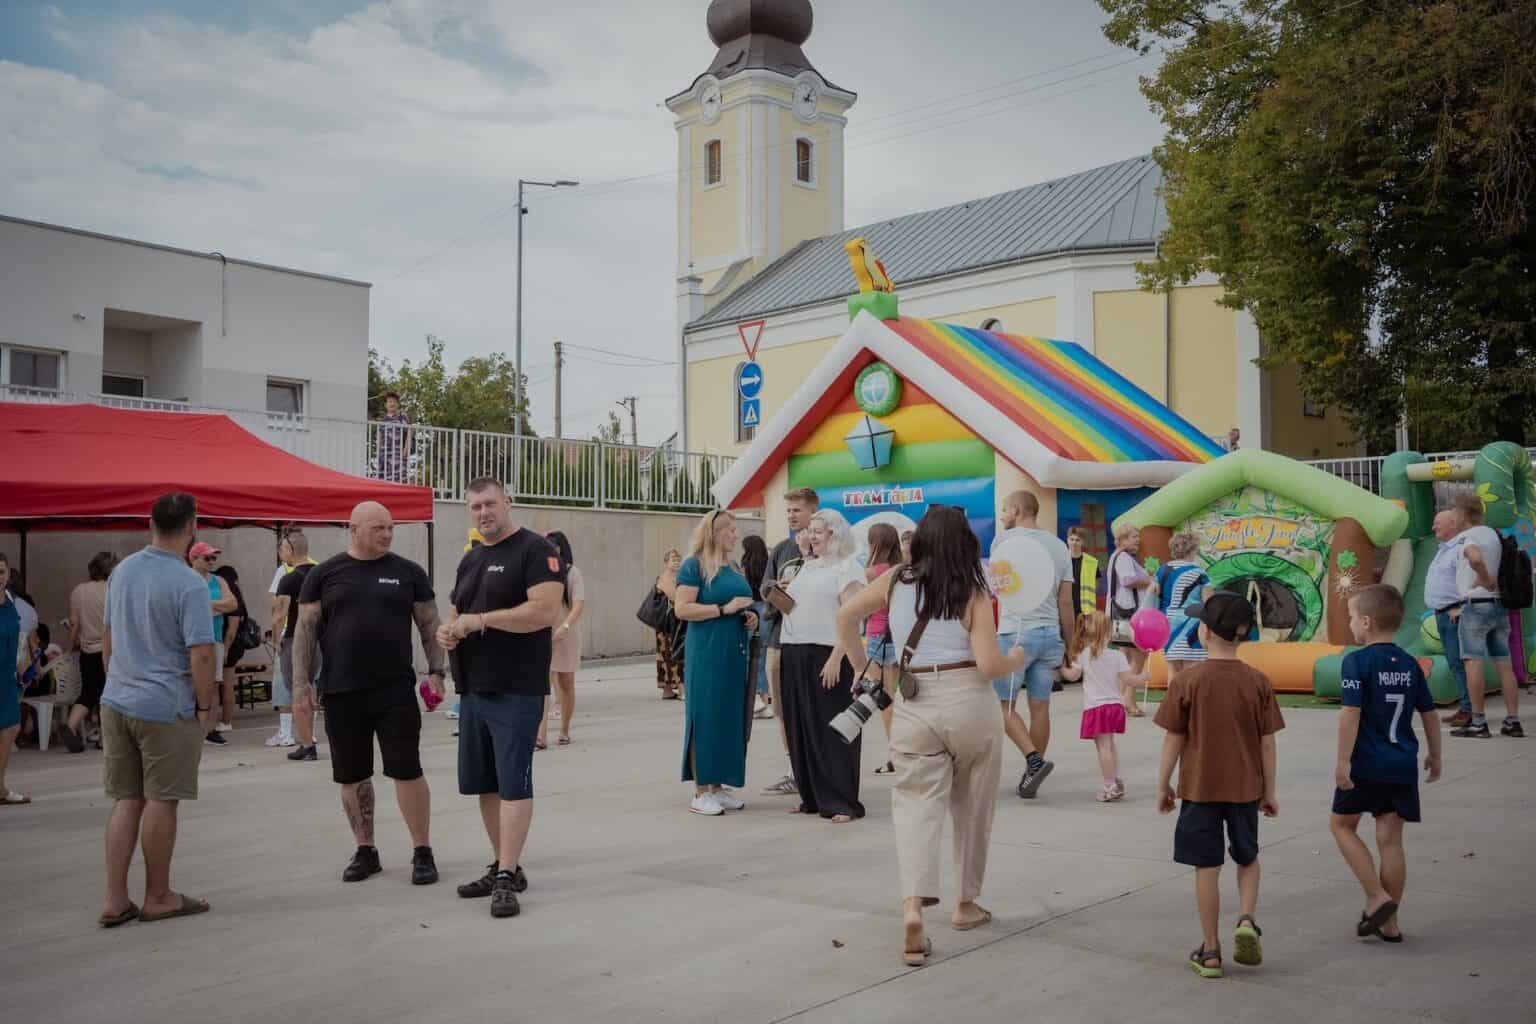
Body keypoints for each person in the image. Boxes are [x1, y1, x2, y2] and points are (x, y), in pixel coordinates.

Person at [835, 505, 1027, 966]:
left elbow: (844, 616)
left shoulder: (896, 579)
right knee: (973, 805)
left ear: (920, 539)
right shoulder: (973, 591)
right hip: (969, 701)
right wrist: (1016, 657)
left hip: (914, 699)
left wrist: (867, 666)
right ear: (966, 543)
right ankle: (965, 905)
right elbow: (988, 665)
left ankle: (912, 909)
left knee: (916, 805)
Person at [292, 501, 446, 885]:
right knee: (351, 774)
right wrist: (300, 686)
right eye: (378, 528)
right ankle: (366, 850)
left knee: (407, 769)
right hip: (342, 692)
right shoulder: (323, 574)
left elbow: (430, 624)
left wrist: (437, 672)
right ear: (353, 528)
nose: (387, 534)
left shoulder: (408, 573)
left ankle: (422, 851)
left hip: (395, 689)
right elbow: (305, 632)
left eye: (390, 527)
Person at [436, 478, 564, 919]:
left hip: (516, 687)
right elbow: (457, 610)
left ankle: (507, 876)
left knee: (513, 783)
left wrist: (481, 621)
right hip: (473, 689)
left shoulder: (535, 551)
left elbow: (544, 612)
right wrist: (448, 630)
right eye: (475, 507)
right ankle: (502, 864)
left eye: (490, 503)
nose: (483, 512)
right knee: (485, 784)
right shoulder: (471, 559)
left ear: (508, 502)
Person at [98, 492, 219, 925]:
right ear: (192, 527)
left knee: (125, 799)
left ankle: (114, 899)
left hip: (117, 700)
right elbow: (201, 653)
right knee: (161, 800)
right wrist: (205, 707)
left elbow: (108, 640)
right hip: (165, 706)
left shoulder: (122, 571)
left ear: (151, 524)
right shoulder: (189, 581)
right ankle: (158, 895)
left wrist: (118, 680)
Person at [1154, 592, 1284, 979]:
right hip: (1246, 789)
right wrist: (1270, 791)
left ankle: (1210, 951)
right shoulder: (1258, 682)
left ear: (1205, 631)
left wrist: (1163, 783)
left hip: (1199, 790)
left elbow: (1173, 738)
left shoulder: (1187, 681)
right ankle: (1246, 919)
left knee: (1206, 867)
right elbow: (1267, 740)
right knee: (1247, 857)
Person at [1330, 584, 1443, 943]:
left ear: (1366, 621)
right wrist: (1435, 754)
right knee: (1390, 841)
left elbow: (1351, 712)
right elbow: (1429, 713)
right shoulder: (1411, 665)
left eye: (1351, 617)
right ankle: (1390, 923)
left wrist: (1342, 761)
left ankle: (1377, 897)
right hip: (1401, 764)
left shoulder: (1356, 661)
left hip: (1366, 764)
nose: (1350, 624)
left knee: (1342, 827)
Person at [778, 509, 866, 822]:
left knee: (831, 730)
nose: (810, 536)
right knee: (801, 726)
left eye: (818, 531)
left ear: (835, 534)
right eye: (809, 530)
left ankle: (842, 800)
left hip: (827, 654)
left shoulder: (848, 568)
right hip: (795, 651)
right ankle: (812, 796)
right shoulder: (807, 566)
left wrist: (836, 657)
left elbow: (853, 618)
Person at [673, 509, 758, 816]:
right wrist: (723, 609)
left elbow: (742, 604)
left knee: (728, 717)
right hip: (707, 652)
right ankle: (700, 790)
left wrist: (749, 617)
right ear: (715, 533)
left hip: (734, 652)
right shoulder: (693, 565)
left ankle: (718, 786)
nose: (735, 535)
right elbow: (682, 609)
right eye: (730, 530)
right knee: (705, 715)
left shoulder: (733, 566)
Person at [990, 490, 1071, 797]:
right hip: (1050, 633)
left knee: (1004, 707)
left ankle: (1033, 760)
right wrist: (1070, 643)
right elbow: (1066, 602)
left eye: (1003, 509)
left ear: (1016, 509)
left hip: (1015, 633)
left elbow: (996, 589)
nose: (1001, 515)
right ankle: (1031, 774)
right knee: (1040, 707)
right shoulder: (1060, 547)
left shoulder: (1003, 542)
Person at [1445, 494, 1523, 739]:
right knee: (1504, 664)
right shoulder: (1492, 534)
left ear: (1463, 514)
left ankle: (1478, 722)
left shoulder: (1470, 537)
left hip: (1476, 605)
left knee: (1472, 662)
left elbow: (1475, 558)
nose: (1452, 517)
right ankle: (1512, 721)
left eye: (1454, 512)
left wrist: (1484, 578)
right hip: (1498, 606)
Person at [759, 487, 818, 796]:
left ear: (812, 511)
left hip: (814, 643)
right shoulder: (781, 549)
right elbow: (764, 588)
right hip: (779, 641)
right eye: (788, 511)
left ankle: (816, 767)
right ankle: (794, 768)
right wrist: (779, 590)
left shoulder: (826, 547)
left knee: (813, 707)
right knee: (782, 708)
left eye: (797, 510)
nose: (791, 515)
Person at [1059, 611, 1146, 801]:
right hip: (1115, 706)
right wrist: (1142, 678)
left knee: (1103, 748)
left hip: (1097, 707)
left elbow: (1072, 676)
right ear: (1108, 633)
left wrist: (1061, 668)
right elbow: (1128, 680)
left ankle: (1109, 785)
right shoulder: (1117, 656)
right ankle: (1116, 779)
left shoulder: (1084, 655)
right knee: (1111, 745)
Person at [1423, 503, 1475, 727]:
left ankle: (1469, 709)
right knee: (1455, 663)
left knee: (1460, 662)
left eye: (1438, 523)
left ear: (1453, 525)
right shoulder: (1444, 549)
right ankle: (1466, 707)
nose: (1433, 527)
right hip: (1443, 614)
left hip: (1454, 613)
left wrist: (1463, 608)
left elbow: (1473, 581)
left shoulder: (1459, 549)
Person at [269, 530, 320, 754]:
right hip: (318, 641)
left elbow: (279, 614)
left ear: (290, 550)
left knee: (296, 692)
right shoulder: (322, 575)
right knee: (310, 689)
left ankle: (307, 745)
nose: (281, 556)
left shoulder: (288, 579)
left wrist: (275, 639)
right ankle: (309, 738)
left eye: (282, 550)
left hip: (293, 640)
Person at [62, 551, 116, 753]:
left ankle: (70, 725)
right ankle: (104, 738)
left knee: (88, 692)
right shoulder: (113, 589)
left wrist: (70, 646)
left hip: (87, 651)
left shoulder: (79, 591)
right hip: (109, 651)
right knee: (108, 695)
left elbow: (74, 623)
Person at [862, 523, 904, 774]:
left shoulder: (870, 573)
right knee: (896, 697)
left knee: (883, 700)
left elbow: (862, 607)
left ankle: (895, 754)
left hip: (877, 636)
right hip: (896, 637)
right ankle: (902, 751)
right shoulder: (900, 570)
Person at [187, 543, 238, 744]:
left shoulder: (218, 580)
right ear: (193, 558)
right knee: (189, 685)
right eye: (206, 558)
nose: (211, 562)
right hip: (189, 640)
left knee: (214, 684)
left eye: (213, 559)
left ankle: (209, 729)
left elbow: (232, 604)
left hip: (213, 638)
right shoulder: (185, 579)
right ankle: (190, 730)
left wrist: (205, 605)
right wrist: (218, 607)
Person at [538, 530, 585, 748]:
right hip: (543, 633)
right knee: (541, 685)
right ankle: (540, 734)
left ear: (560, 548)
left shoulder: (572, 573)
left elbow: (578, 605)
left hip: (566, 634)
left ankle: (564, 729)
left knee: (566, 682)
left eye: (552, 546)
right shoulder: (539, 571)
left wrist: (566, 626)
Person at [1107, 523, 1153, 713]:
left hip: (1119, 612)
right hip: (1128, 613)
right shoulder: (1124, 557)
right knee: (1139, 655)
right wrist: (1150, 580)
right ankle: (1128, 699)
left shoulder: (1117, 556)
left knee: (1125, 657)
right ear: (1123, 539)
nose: (1138, 540)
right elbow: (1128, 580)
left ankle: (1119, 698)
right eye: (1134, 536)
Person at [1157, 532, 1210, 680]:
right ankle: (1191, 703)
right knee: (1192, 670)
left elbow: (1154, 595)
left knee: (1172, 668)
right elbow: (1209, 601)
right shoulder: (1199, 572)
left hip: (1169, 625)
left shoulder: (1163, 570)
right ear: (1192, 550)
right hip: (1192, 625)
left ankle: (1174, 702)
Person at [0, 553, 29, 805]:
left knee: (10, 728)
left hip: (7, 676)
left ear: (8, 574)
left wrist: (23, 665)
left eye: (1, 572)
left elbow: (18, 639)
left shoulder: (10, 601)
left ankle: (0, 787)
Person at [741, 535, 771, 717]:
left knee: (749, 656)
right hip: (765, 609)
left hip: (750, 608)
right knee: (763, 655)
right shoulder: (769, 564)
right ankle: (766, 697)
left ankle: (754, 698)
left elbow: (743, 587)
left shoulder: (744, 564)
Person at [653, 549, 684, 700]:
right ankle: (680, 688)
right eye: (673, 559)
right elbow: (675, 597)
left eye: (678, 559)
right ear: (666, 563)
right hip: (667, 625)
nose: (677, 562)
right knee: (672, 654)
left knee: (667, 654)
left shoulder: (676, 577)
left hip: (671, 623)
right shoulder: (665, 578)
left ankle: (668, 690)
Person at [375, 391, 414, 483]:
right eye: (390, 401)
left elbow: (409, 432)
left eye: (394, 401)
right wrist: (378, 452)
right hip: (384, 456)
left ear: (397, 404)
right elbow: (380, 437)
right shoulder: (383, 420)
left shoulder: (402, 417)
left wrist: (405, 451)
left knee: (399, 480)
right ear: (386, 404)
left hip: (397, 455)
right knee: (383, 481)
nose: (392, 404)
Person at [1066, 526, 1099, 615]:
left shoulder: (1092, 562)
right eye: (1071, 539)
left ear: (1082, 542)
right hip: (1065, 608)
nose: (1074, 543)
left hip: (1086, 610)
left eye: (1077, 540)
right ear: (1067, 540)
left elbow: (1096, 585)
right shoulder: (1061, 560)